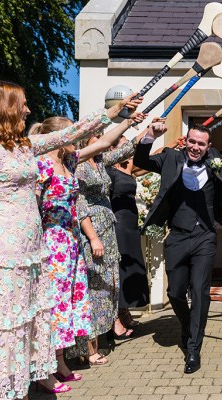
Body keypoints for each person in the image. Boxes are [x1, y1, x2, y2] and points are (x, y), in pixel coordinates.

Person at [0, 80, 129, 399]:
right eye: (21, 104)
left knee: (29, 320)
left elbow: (69, 134)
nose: (28, 109)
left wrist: (115, 112)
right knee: (5, 322)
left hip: (34, 247)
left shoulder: (26, 145)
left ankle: (21, 386)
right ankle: (0, 388)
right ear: (4, 107)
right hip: (4, 248)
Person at [30, 104, 144, 390]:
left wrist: (126, 120)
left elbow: (105, 141)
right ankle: (45, 371)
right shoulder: (41, 165)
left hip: (70, 244)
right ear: (58, 137)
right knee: (54, 306)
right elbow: (31, 207)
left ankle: (60, 362)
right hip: (52, 244)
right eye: (72, 133)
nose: (77, 139)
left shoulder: (69, 163)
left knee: (70, 303)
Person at [133, 115, 222, 373]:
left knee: (200, 291)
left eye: (201, 143)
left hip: (205, 236)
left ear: (208, 146)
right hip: (176, 235)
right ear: (185, 141)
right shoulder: (170, 158)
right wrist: (150, 135)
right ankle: (187, 326)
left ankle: (193, 349)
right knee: (175, 292)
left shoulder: (216, 160)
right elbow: (140, 161)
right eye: (192, 142)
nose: (196, 147)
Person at [67, 119, 149, 366]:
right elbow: (79, 203)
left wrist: (148, 130)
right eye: (98, 137)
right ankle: (87, 349)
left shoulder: (100, 161)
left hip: (108, 228)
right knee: (94, 287)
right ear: (85, 140)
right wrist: (92, 237)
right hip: (92, 229)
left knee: (108, 286)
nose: (103, 141)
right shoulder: (78, 165)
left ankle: (101, 339)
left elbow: (126, 149)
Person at [107, 136, 150, 327]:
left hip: (132, 225)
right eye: (124, 144)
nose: (128, 148)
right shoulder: (109, 170)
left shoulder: (128, 167)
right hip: (120, 225)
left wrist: (172, 146)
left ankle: (125, 313)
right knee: (121, 269)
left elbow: (148, 164)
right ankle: (116, 317)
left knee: (132, 267)